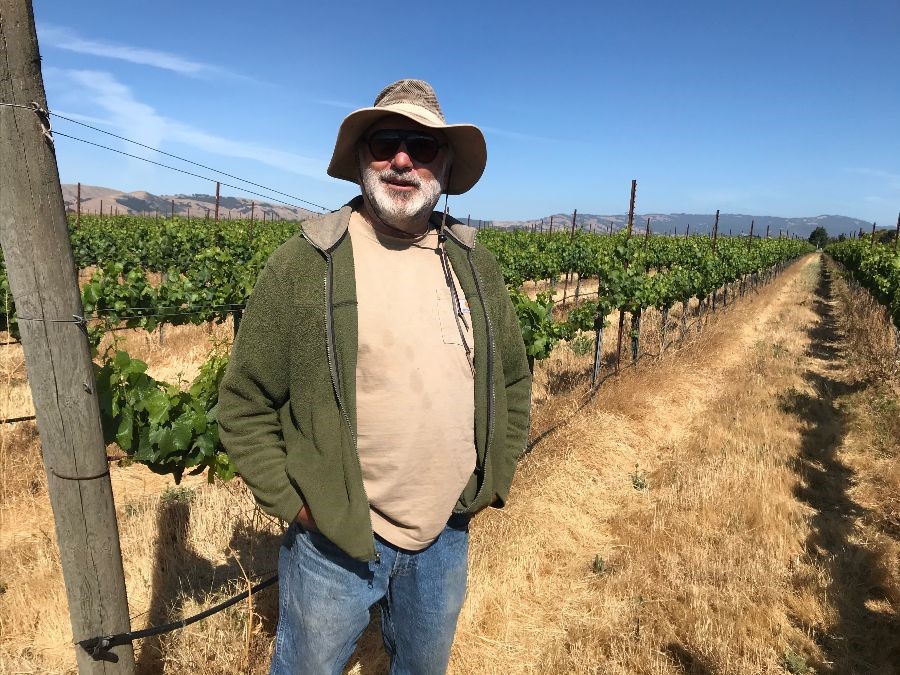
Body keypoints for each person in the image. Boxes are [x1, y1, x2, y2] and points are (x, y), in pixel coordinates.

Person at [218, 78, 532, 674]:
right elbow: (244, 404)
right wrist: (300, 508)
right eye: (386, 142)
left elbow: (512, 380)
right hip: (332, 544)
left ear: (445, 164)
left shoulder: (474, 265)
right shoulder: (306, 264)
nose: (403, 160)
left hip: (445, 535)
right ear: (362, 156)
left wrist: (493, 474)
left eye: (423, 145)